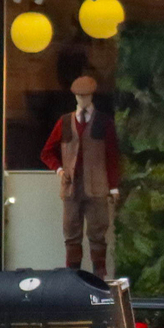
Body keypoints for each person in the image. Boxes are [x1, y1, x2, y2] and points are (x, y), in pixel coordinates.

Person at [40, 74, 121, 275]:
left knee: (98, 234)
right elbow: (46, 152)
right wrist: (59, 169)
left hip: (98, 187)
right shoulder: (65, 121)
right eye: (79, 97)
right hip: (71, 188)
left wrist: (113, 186)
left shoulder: (104, 122)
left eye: (85, 96)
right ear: (75, 97)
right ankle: (72, 277)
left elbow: (112, 155)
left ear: (91, 97)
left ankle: (99, 277)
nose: (82, 100)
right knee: (71, 236)